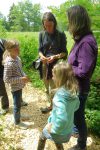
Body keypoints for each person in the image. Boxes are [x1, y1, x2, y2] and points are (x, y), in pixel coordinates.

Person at [67, 5, 98, 150]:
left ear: (76, 21)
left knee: (79, 118)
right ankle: (81, 141)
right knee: (76, 116)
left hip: (80, 89)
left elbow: (84, 71)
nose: (68, 24)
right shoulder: (81, 39)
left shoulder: (86, 42)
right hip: (76, 88)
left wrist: (66, 68)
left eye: (70, 21)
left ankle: (81, 145)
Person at [37, 62, 80, 150]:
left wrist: (53, 129)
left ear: (60, 78)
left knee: (42, 137)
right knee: (57, 141)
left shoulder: (59, 97)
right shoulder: (73, 92)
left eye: (54, 75)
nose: (52, 77)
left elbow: (62, 119)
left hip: (58, 131)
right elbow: (76, 106)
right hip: (67, 131)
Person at [38, 12, 68, 113]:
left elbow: (64, 53)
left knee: (54, 88)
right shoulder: (42, 34)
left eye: (50, 25)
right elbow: (40, 50)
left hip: (56, 66)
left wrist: (55, 57)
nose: (48, 28)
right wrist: (42, 56)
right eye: (45, 26)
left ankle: (55, 108)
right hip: (44, 65)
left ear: (54, 23)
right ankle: (51, 105)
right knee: (47, 88)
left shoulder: (61, 35)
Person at [3, 40, 30, 128]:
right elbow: (6, 79)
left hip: (20, 85)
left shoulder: (17, 58)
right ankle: (17, 122)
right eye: (16, 49)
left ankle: (19, 116)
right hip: (15, 88)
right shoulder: (8, 63)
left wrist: (24, 76)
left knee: (19, 102)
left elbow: (20, 70)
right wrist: (21, 79)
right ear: (9, 50)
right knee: (16, 105)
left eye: (19, 48)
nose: (18, 51)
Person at [0, 39, 9, 115]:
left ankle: (20, 101)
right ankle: (5, 107)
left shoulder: (2, 41)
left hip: (7, 67)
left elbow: (9, 50)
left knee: (15, 84)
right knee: (2, 89)